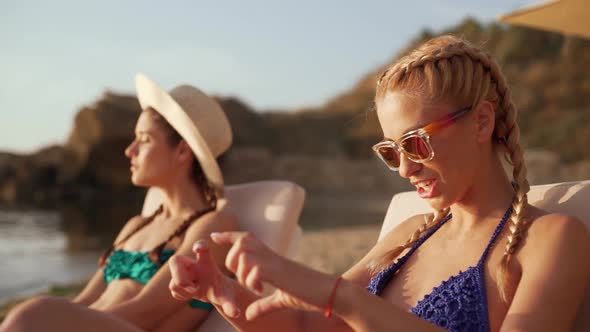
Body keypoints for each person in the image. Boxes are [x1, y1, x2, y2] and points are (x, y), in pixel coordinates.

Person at [168, 35, 590, 332]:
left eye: (415, 143)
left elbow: (343, 305)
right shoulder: (410, 235)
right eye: (391, 152)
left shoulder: (550, 239)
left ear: (482, 120)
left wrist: (345, 297)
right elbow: (303, 325)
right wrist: (225, 294)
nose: (405, 170)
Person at [0, 73, 238, 332]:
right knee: (38, 314)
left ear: (182, 151)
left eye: (144, 139)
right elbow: (83, 303)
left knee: (35, 312)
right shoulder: (136, 226)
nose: (130, 150)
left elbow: (145, 313)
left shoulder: (213, 229)